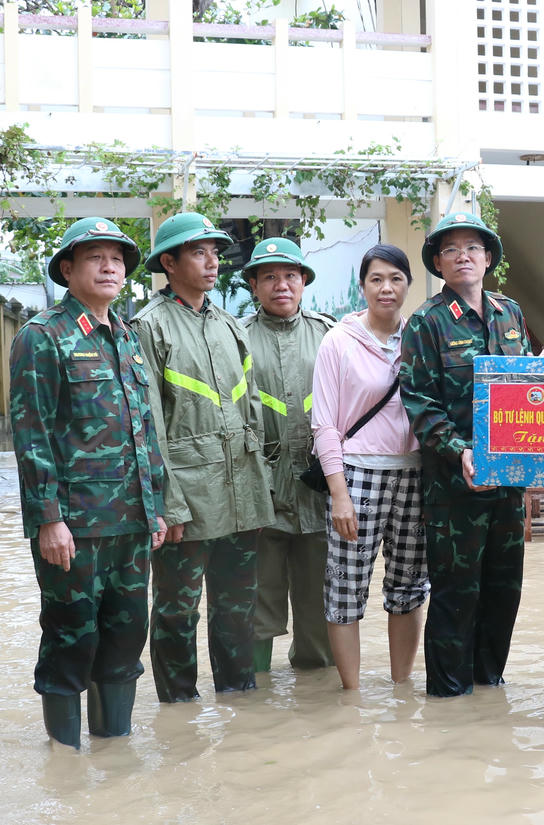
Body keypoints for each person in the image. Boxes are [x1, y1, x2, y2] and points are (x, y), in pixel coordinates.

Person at [9, 218, 167, 748]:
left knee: (125, 640)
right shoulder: (43, 336)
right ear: (68, 269)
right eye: (95, 257)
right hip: (74, 528)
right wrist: (49, 520)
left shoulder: (126, 335)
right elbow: (31, 438)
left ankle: (113, 758)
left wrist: (156, 508)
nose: (109, 267)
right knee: (71, 638)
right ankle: (65, 761)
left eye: (117, 259)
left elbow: (142, 430)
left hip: (131, 524)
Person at [132, 212, 275, 702]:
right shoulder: (149, 327)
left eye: (216, 251)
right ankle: (179, 709)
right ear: (168, 263)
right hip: (187, 500)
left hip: (241, 493)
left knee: (238, 607)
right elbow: (146, 423)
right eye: (199, 252)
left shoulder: (228, 324)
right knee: (177, 608)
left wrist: (260, 488)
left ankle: (239, 699)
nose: (214, 261)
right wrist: (165, 504)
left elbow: (250, 407)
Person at [401, 211, 531, 697]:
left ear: (488, 257)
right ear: (438, 262)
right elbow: (419, 402)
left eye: (472, 247)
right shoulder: (426, 322)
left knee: (504, 591)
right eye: (451, 249)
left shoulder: (510, 313)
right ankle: (450, 700)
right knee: (457, 595)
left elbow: (527, 392)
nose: (463, 256)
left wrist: (537, 464)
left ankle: (490, 690)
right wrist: (460, 453)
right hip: (454, 486)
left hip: (509, 482)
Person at [310, 244, 428, 690]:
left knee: (409, 587)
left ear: (408, 286)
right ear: (362, 286)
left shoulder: (420, 337)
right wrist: (339, 493)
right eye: (377, 279)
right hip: (356, 475)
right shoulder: (338, 341)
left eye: (396, 278)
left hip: (414, 474)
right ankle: (353, 697)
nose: (386, 288)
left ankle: (402, 688)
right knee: (346, 589)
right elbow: (324, 425)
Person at [240, 238, 336, 671]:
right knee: (257, 603)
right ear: (254, 286)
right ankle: (252, 693)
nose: (282, 285)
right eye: (270, 277)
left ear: (303, 283)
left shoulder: (330, 334)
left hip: (319, 489)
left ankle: (317, 707)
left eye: (290, 276)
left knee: (320, 608)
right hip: (260, 491)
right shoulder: (235, 337)